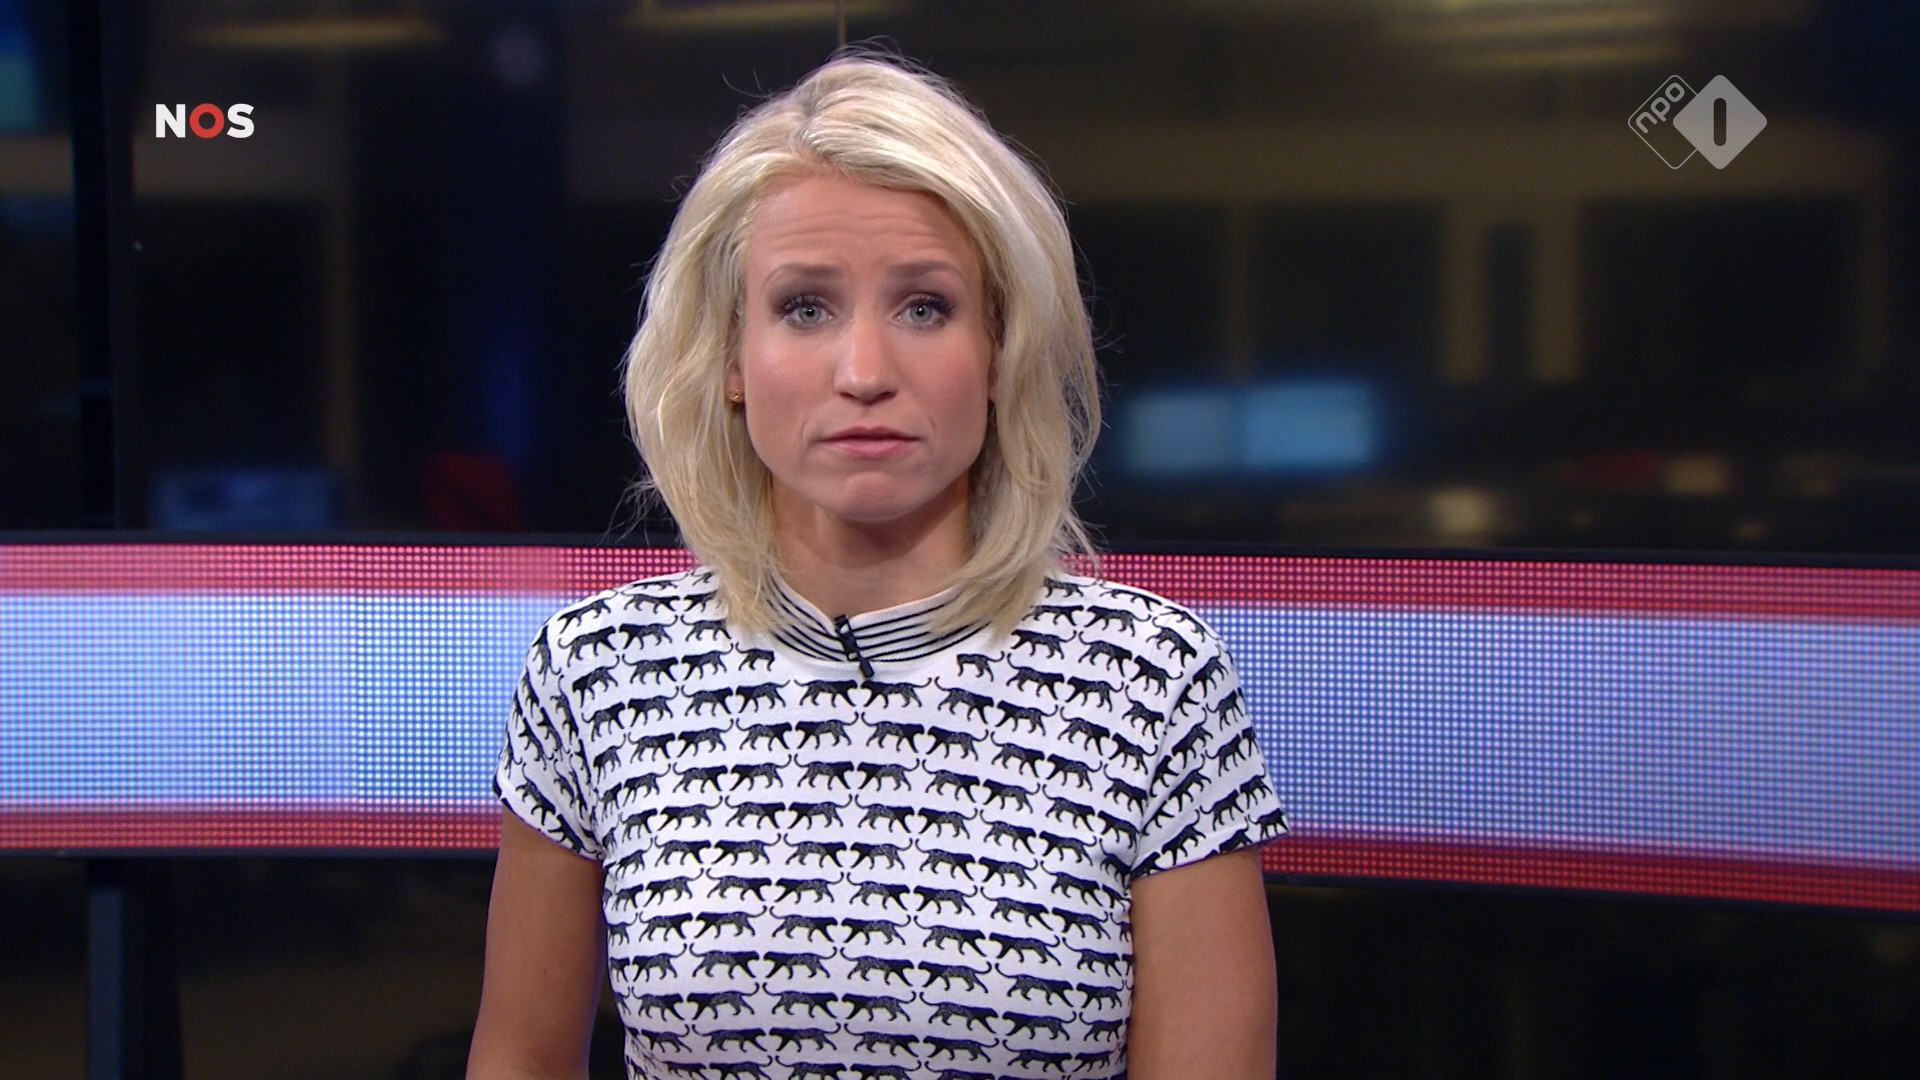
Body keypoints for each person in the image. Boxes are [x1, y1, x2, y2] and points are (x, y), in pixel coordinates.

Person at [469, 53, 1290, 1080]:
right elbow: (520, 1056)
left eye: (925, 308)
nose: (864, 373)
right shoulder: (599, 670)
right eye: (805, 308)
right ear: (729, 357)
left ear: (1000, 352)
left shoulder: (1151, 680)